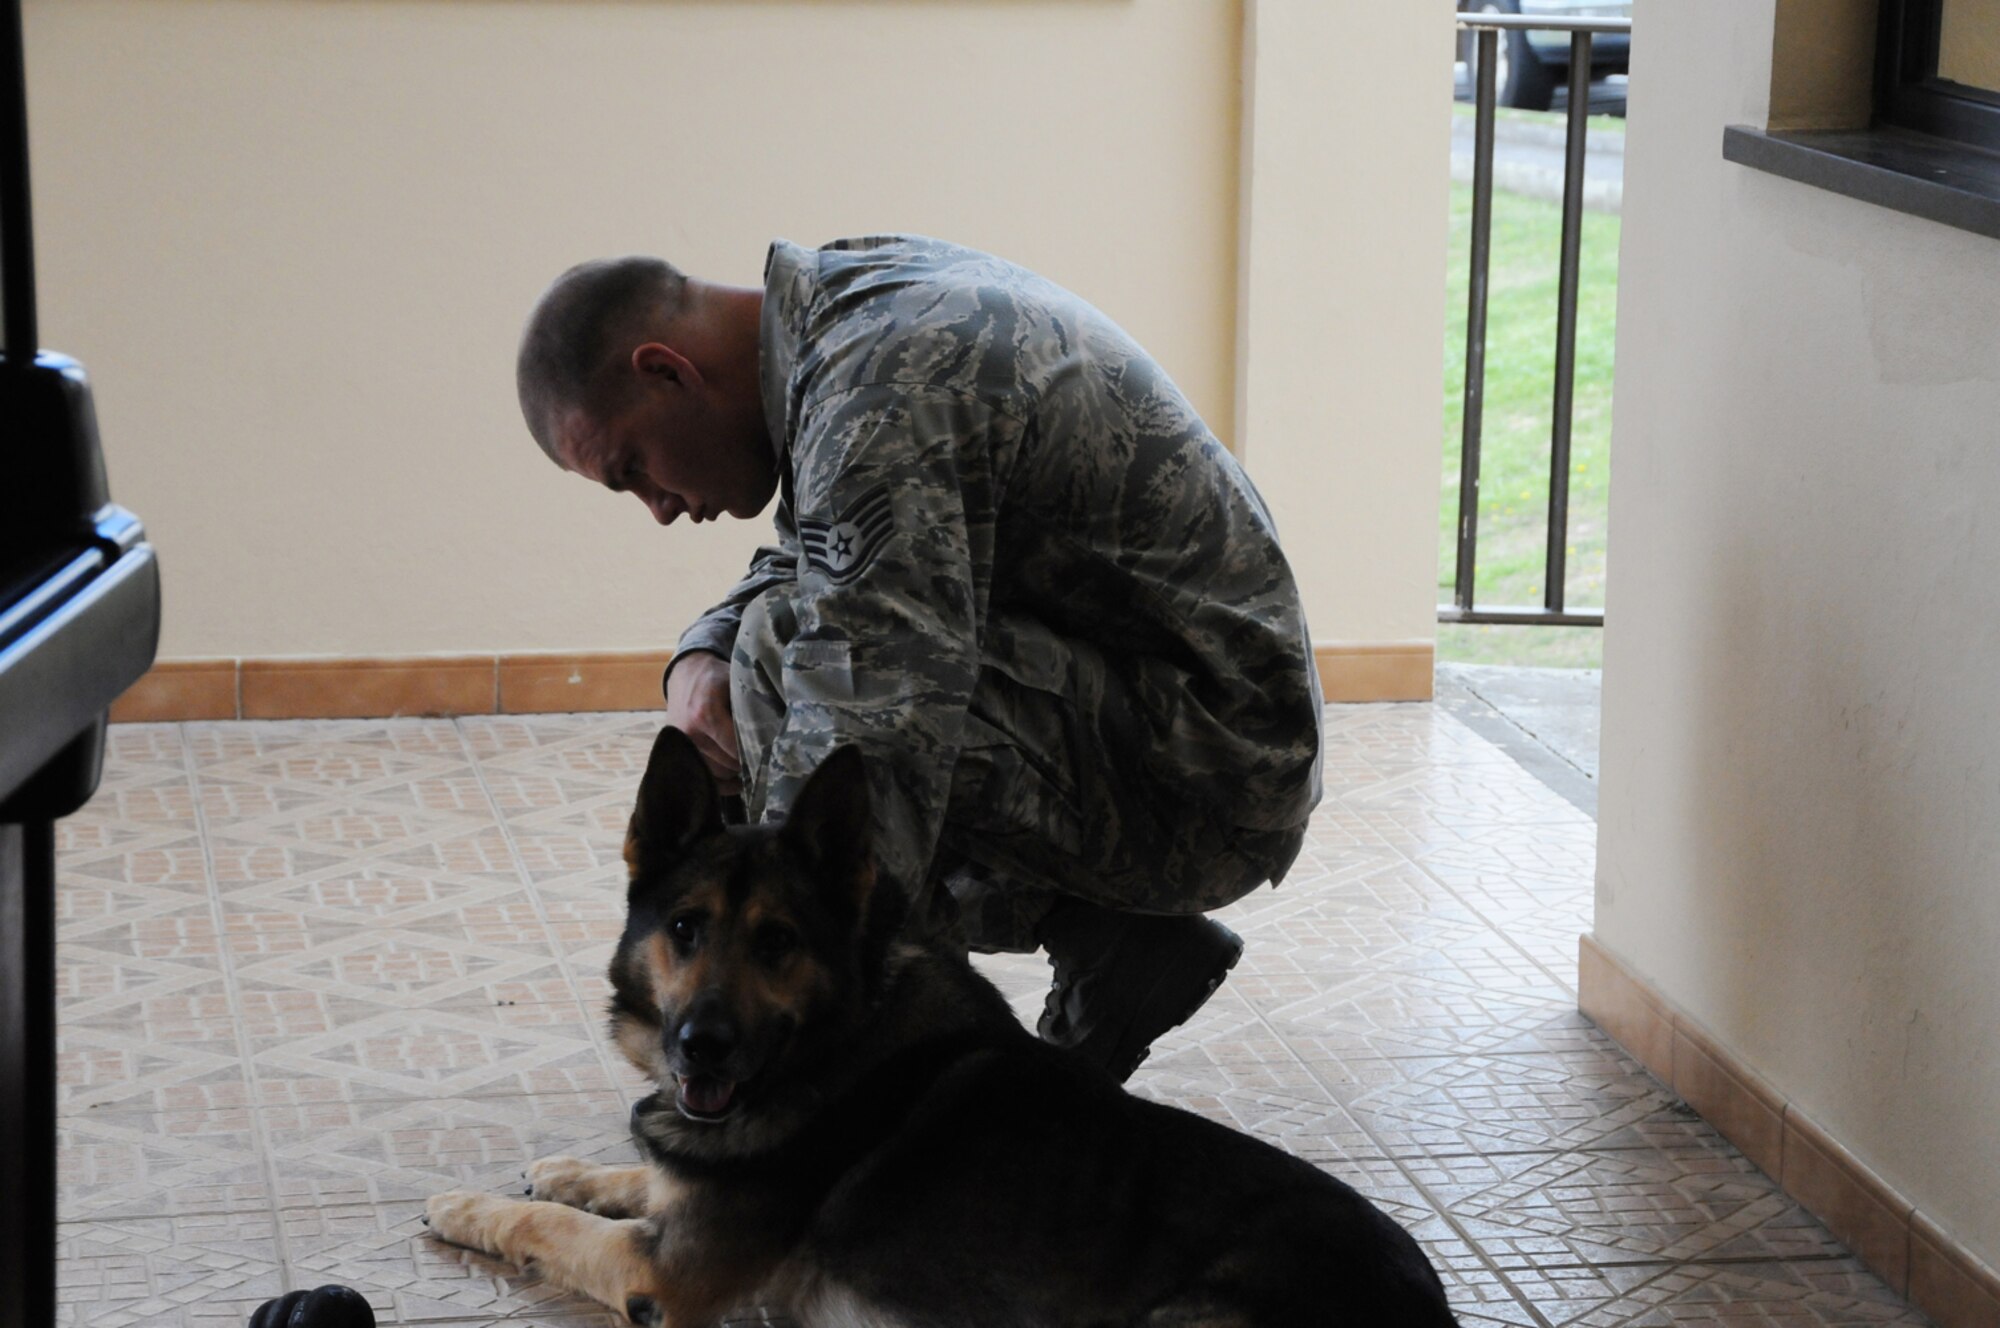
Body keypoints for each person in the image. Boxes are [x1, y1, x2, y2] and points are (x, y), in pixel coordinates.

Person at [515, 235, 1323, 1081]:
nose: (659, 509)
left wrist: (781, 1047)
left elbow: (868, 727)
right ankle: (1116, 947)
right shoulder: (844, 325)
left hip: (1215, 769)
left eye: (633, 469)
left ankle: (915, 1068)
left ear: (667, 371)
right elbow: (821, 557)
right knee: (756, 653)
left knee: (792, 669)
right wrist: (697, 656)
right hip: (1170, 722)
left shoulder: (881, 388)